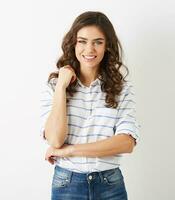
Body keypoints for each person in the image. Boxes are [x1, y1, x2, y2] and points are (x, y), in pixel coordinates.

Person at [39, 11, 140, 200]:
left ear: (107, 46)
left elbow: (126, 143)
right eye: (82, 41)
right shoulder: (55, 86)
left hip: (110, 184)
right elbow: (54, 140)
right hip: (67, 184)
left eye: (98, 42)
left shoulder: (121, 88)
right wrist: (61, 86)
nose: (90, 49)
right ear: (73, 43)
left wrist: (70, 150)